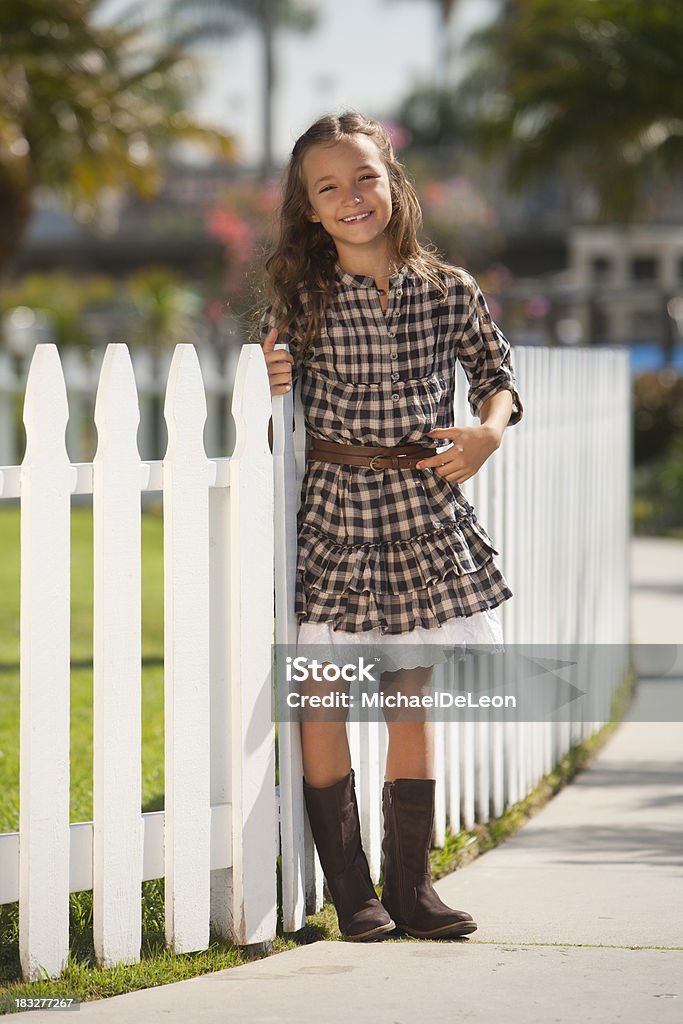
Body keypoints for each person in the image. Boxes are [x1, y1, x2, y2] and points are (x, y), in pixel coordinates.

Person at [258, 111, 524, 943]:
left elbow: (496, 376)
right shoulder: (300, 301)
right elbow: (270, 429)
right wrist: (263, 382)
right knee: (324, 703)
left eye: (364, 177)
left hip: (420, 511)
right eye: (327, 187)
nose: (350, 197)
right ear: (308, 209)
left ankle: (413, 891)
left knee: (410, 707)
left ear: (393, 183)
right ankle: (353, 895)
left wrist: (487, 431)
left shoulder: (448, 288)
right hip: (336, 514)